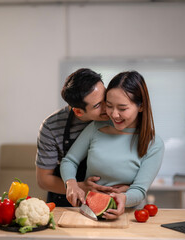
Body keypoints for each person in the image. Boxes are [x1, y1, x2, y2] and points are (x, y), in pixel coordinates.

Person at [60, 71, 165, 219]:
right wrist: (71, 183)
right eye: (109, 106)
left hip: (128, 217)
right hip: (88, 213)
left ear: (141, 107)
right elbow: (69, 160)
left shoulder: (154, 144)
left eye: (122, 108)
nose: (114, 114)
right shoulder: (96, 127)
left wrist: (124, 198)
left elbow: (140, 190)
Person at [36, 68, 115, 207]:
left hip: (110, 200)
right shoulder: (51, 127)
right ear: (78, 111)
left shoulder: (116, 116)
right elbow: (44, 180)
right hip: (66, 204)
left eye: (105, 97)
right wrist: (79, 187)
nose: (107, 107)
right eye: (98, 105)